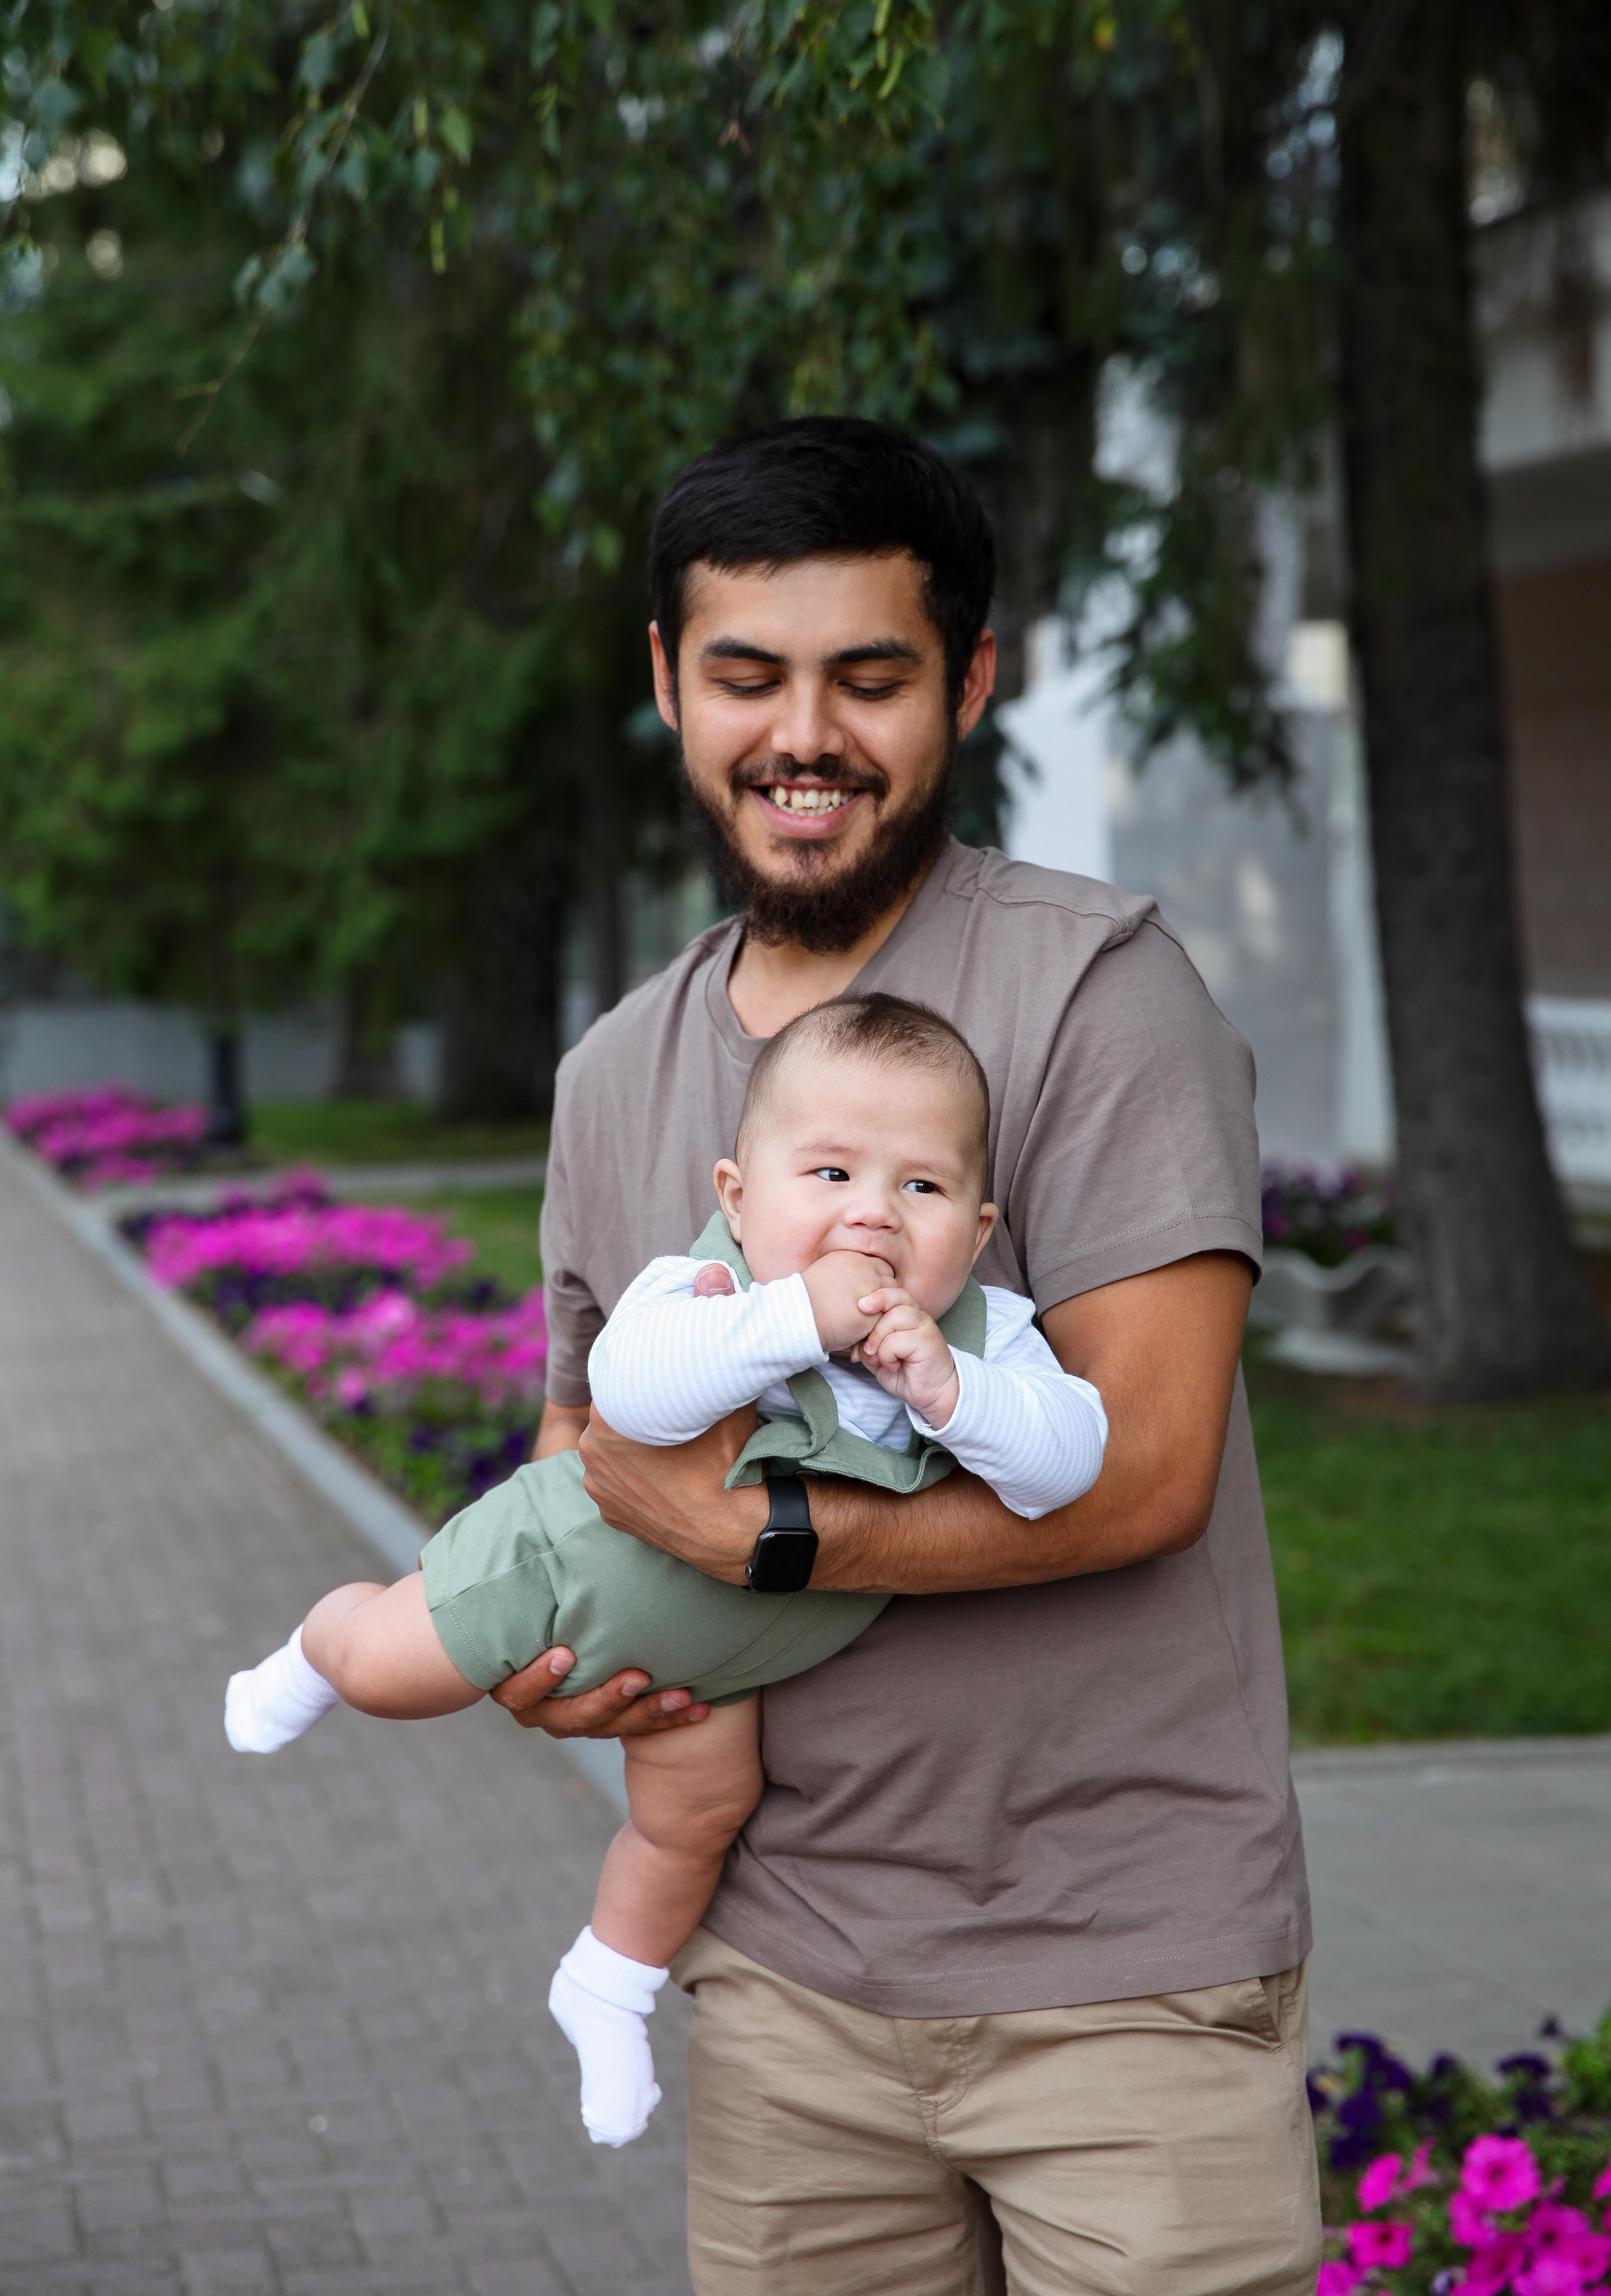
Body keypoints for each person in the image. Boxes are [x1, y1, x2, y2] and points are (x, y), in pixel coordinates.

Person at [488, 414, 1322, 2296]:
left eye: (870, 678)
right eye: (747, 678)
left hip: (1124, 1980)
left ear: (970, 679)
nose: (805, 740)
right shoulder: (618, 1069)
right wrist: (549, 1661)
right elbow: (579, 1459)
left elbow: (1153, 1468)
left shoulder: (1097, 993)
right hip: (783, 1981)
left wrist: (756, 1540)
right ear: (666, 683)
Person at [223, 992, 1108, 2152]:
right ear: (738, 1197)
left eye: (922, 1189)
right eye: (830, 1175)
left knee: (695, 1821)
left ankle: (609, 1984)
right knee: (397, 1669)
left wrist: (954, 1395)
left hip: (727, 1664)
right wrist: (797, 1318)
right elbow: (632, 1394)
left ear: (978, 1230)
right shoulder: (705, 1293)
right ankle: (319, 1643)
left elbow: (1072, 1464)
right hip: (561, 1572)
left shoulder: (990, 1340)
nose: (873, 1218)